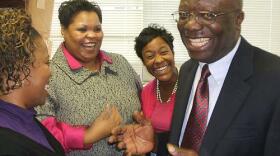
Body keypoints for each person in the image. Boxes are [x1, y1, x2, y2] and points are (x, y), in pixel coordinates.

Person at [110, 0, 280, 155]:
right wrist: (155, 142)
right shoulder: (188, 70)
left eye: (208, 15)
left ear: (238, 19)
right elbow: (186, 141)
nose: (190, 26)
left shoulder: (273, 78)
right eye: (184, 15)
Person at [0, 8, 122, 155]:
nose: (50, 71)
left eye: (97, 29)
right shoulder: (7, 143)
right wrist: (87, 135)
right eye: (46, 62)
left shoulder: (25, 118)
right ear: (21, 71)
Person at [36, 0, 141, 155]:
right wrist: (87, 135)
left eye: (97, 29)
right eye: (82, 29)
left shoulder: (120, 63)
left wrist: (139, 127)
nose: (92, 35)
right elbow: (41, 135)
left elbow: (142, 105)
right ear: (63, 31)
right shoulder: (49, 75)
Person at [134, 24, 178, 155]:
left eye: (164, 52)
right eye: (149, 56)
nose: (158, 60)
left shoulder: (192, 87)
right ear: (144, 62)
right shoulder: (146, 92)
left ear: (172, 52)